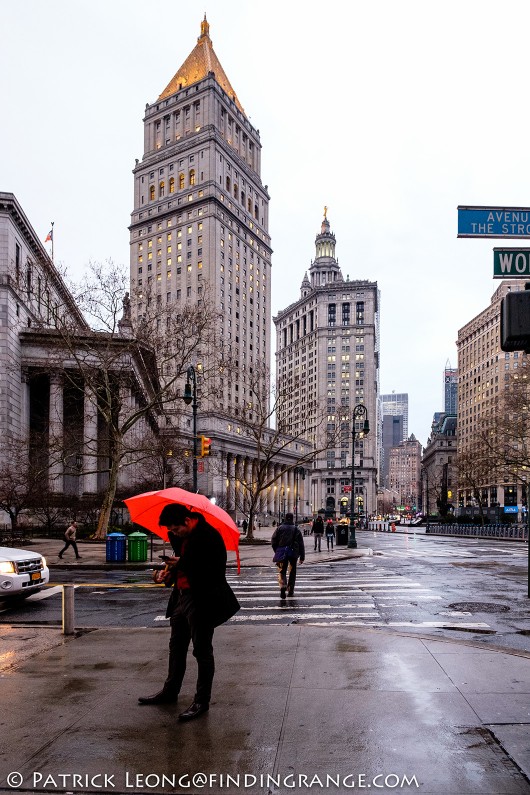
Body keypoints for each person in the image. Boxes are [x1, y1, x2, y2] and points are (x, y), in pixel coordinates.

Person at [138, 504, 240, 721]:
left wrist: (182, 563)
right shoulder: (183, 538)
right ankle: (170, 691)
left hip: (202, 599)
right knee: (176, 647)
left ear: (187, 520)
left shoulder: (210, 536)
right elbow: (182, 567)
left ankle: (201, 701)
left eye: (175, 529)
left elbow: (213, 571)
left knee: (202, 651)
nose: (173, 533)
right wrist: (169, 575)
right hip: (181, 598)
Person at [271, 512, 305, 599]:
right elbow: (301, 543)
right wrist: (302, 556)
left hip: (282, 552)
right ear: (292, 518)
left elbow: (273, 540)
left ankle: (283, 586)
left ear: (285, 518)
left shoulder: (279, 528)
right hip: (293, 553)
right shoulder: (296, 529)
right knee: (292, 572)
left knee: (282, 571)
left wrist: (277, 550)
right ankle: (290, 590)